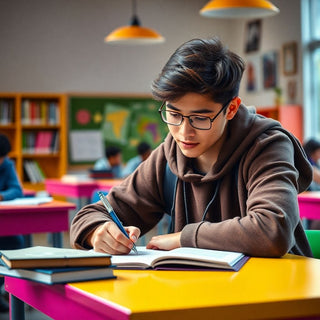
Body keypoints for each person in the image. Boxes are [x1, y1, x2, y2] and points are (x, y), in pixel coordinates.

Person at [70, 37, 313, 258]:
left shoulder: (267, 145)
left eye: (200, 118)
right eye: (174, 113)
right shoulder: (168, 156)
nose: (184, 132)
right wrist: (98, 232)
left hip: (276, 296)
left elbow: (272, 230)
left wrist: (184, 238)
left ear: (230, 108)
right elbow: (87, 216)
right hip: (201, 295)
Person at [0, 133, 24, 312]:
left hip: (4, 219)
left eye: (2, 158)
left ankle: (8, 288)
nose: (1, 161)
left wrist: (3, 195)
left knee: (16, 242)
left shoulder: (7, 164)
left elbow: (17, 189)